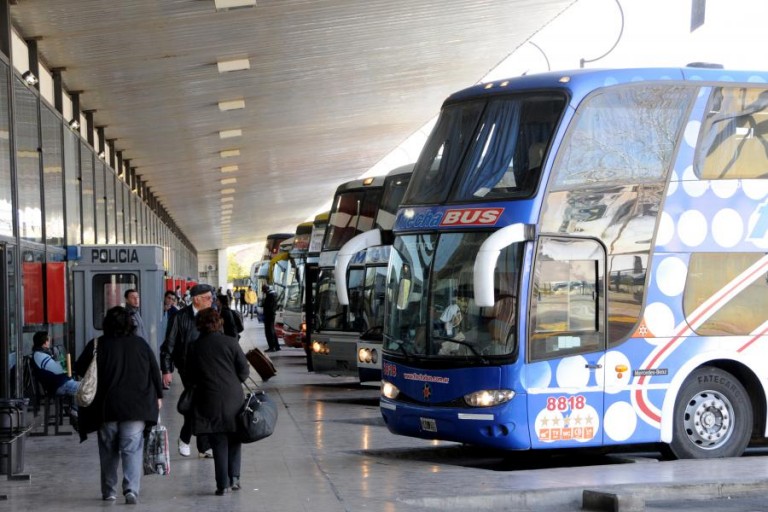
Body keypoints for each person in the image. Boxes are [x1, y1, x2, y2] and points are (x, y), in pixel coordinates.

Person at [74, 306, 163, 505]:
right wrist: (158, 395)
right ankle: (131, 489)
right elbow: (154, 371)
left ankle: (109, 491)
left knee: (108, 450)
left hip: (107, 408)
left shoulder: (97, 344)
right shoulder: (140, 344)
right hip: (135, 407)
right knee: (132, 448)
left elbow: (80, 368)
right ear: (130, 324)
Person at [186, 308, 250, 495]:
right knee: (235, 437)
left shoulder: (194, 347)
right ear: (218, 323)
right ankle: (235, 478)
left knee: (218, 441)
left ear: (199, 325)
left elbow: (189, 376)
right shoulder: (231, 342)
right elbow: (244, 372)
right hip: (233, 397)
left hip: (208, 398)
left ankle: (222, 484)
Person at [159, 283, 214, 458]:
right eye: (208, 298)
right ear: (197, 300)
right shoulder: (179, 317)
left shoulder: (213, 315)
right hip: (187, 367)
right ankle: (188, 440)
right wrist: (166, 370)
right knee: (198, 402)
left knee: (202, 404)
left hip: (209, 367)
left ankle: (199, 445)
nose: (211, 301)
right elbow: (168, 345)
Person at [30, 331, 80, 425]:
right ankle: (74, 410)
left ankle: (74, 409)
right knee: (86, 389)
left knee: (85, 387)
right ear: (44, 342)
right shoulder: (40, 355)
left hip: (59, 383)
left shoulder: (39, 354)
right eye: (48, 341)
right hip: (58, 385)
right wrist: (62, 362)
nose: (49, 343)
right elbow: (59, 370)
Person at [261, 284, 280, 352]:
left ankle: (272, 347)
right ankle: (277, 346)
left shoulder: (269, 295)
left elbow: (267, 306)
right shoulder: (274, 293)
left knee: (268, 331)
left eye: (263, 290)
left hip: (269, 315)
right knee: (272, 330)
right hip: (272, 315)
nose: (263, 292)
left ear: (265, 289)